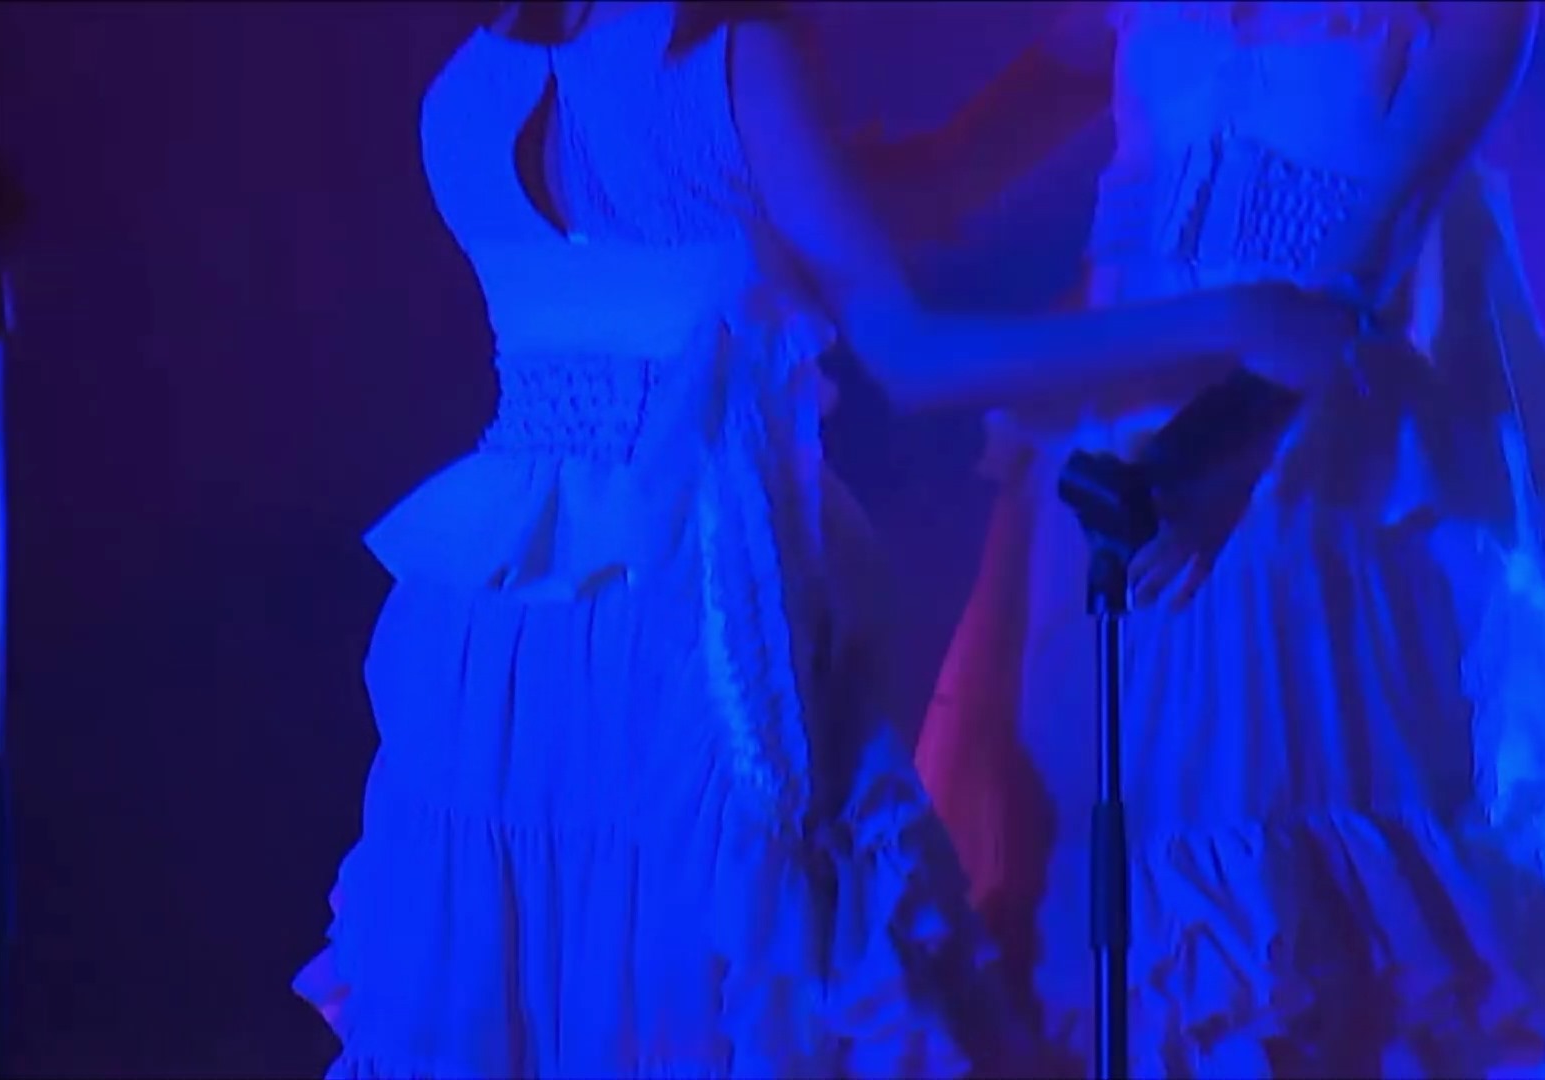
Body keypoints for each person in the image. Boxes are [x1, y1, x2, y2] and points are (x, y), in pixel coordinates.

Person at [292, 2, 1360, 1076]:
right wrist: (1234, 319)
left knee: (523, 983)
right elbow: (911, 354)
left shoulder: (460, 95)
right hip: (692, 619)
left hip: (494, 632)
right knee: (748, 977)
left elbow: (885, 194)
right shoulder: (729, 60)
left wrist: (1085, 64)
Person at [875, 2, 1545, 1076]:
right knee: (1090, 899)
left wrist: (1228, 444)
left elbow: (1378, 253)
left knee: (1316, 924)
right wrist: (745, 140)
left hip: (1320, 486)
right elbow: (944, 178)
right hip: (1115, 460)